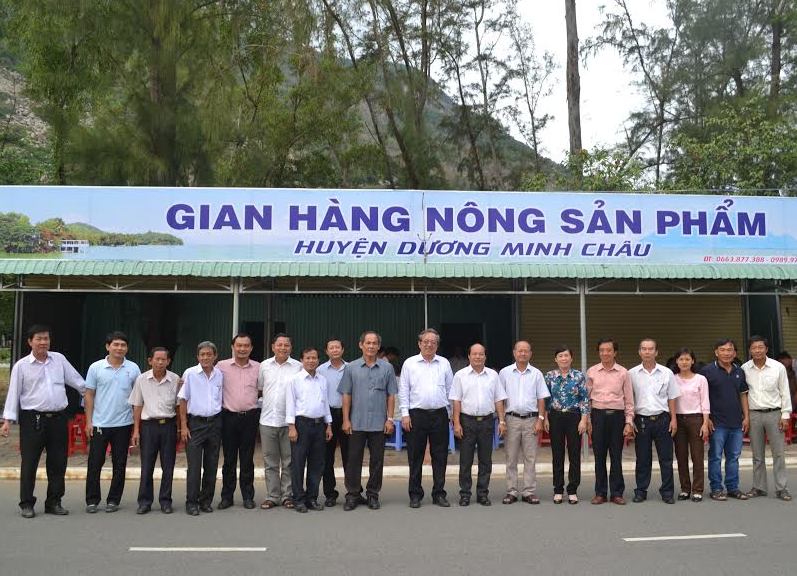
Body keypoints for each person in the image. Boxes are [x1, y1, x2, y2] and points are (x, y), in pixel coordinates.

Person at [1, 325, 85, 518]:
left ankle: (54, 502)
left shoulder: (59, 360)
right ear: (30, 342)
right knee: (29, 462)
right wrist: (7, 421)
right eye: (39, 339)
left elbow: (79, 382)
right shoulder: (22, 366)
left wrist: (89, 401)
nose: (43, 342)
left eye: (46, 338)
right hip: (33, 420)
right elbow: (13, 393)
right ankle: (27, 503)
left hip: (58, 419)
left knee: (58, 463)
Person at [339, 331, 397, 511]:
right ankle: (353, 495)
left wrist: (390, 419)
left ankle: (373, 494)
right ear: (361, 345)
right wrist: (346, 420)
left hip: (379, 423)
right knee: (353, 460)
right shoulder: (351, 368)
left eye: (374, 343)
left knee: (377, 460)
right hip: (356, 422)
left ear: (378, 346)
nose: (371, 346)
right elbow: (346, 395)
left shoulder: (387, 368)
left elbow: (391, 395)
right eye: (368, 343)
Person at [84, 331, 141, 513]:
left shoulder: (133, 368)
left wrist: (136, 428)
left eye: (123, 345)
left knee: (120, 464)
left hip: (124, 424)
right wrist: (89, 422)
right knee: (95, 463)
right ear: (108, 346)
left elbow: (138, 399)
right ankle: (92, 500)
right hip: (100, 424)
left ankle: (114, 500)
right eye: (116, 344)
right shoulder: (96, 368)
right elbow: (89, 395)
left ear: (127, 348)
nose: (119, 348)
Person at [399, 328, 454, 508]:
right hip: (417, 415)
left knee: (440, 456)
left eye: (433, 342)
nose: (429, 345)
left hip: (440, 414)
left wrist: (451, 414)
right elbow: (404, 390)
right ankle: (415, 494)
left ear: (437, 345)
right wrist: (405, 414)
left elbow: (450, 390)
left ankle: (439, 493)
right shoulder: (410, 363)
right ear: (419, 344)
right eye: (426, 341)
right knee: (415, 456)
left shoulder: (444, 363)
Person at [450, 343, 507, 506]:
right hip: (467, 421)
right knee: (465, 460)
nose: (478, 357)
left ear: (485, 356)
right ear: (469, 356)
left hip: (487, 421)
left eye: (481, 354)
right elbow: (456, 401)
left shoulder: (493, 375)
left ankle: (482, 493)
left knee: (485, 460)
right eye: (474, 354)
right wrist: (456, 423)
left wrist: (502, 421)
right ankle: (465, 494)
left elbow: (499, 399)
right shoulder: (460, 375)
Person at [128, 347, 180, 514]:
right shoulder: (142, 379)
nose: (160, 362)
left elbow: (179, 406)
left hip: (169, 426)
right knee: (147, 465)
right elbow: (137, 405)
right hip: (148, 426)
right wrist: (136, 430)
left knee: (168, 466)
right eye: (157, 359)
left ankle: (165, 501)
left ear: (168, 361)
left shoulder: (175, 379)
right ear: (150, 361)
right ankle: (144, 501)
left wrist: (179, 428)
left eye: (163, 359)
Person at [628, 338, 680, 504]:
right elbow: (629, 399)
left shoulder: (666, 372)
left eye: (651, 349)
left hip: (662, 419)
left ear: (656, 352)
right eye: (644, 349)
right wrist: (630, 421)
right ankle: (641, 490)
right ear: (639, 352)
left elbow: (672, 397)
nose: (647, 352)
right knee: (643, 459)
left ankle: (667, 492)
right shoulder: (631, 374)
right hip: (641, 420)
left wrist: (673, 419)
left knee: (666, 458)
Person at [741, 336, 792, 501]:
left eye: (760, 347)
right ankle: (759, 487)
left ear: (766, 349)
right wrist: (745, 416)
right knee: (757, 455)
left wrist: (785, 415)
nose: (757, 350)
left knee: (778, 454)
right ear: (750, 350)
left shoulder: (778, 368)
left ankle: (781, 488)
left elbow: (785, 392)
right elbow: (743, 394)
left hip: (774, 414)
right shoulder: (744, 369)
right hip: (754, 415)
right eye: (754, 348)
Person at [498, 340, 549, 505]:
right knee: (511, 458)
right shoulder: (505, 373)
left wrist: (540, 419)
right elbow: (499, 398)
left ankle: (529, 491)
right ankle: (511, 491)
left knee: (530, 457)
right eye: (520, 351)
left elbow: (541, 398)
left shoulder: (536, 374)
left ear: (530, 354)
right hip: (511, 419)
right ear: (514, 353)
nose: (523, 353)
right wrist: (501, 421)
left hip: (531, 420)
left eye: (526, 351)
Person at [700, 338, 750, 501]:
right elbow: (701, 397)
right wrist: (706, 419)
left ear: (734, 353)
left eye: (730, 350)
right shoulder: (707, 371)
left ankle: (733, 488)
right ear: (716, 352)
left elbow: (743, 395)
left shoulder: (739, 371)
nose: (726, 353)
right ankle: (716, 488)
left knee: (733, 457)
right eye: (722, 350)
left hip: (736, 422)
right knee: (715, 457)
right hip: (717, 423)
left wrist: (746, 417)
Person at [586, 338, 634, 505]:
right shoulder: (592, 371)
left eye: (608, 350)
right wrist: (588, 420)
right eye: (602, 350)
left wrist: (629, 422)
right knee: (599, 456)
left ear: (615, 352)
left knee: (616, 456)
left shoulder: (623, 373)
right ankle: (600, 493)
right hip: (598, 416)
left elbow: (629, 399)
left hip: (617, 417)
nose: (605, 353)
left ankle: (617, 493)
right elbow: (586, 399)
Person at [178, 341, 223, 515]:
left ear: (215, 356)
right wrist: (183, 426)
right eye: (202, 354)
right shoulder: (190, 373)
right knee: (194, 466)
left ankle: (206, 501)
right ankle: (192, 502)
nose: (205, 357)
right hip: (195, 424)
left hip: (215, 423)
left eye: (209, 354)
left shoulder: (219, 374)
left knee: (211, 465)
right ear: (197, 357)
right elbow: (183, 400)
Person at [258, 333, 302, 509]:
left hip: (289, 422)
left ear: (291, 348)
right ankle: (272, 496)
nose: (283, 348)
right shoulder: (264, 366)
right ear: (273, 347)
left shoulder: (298, 367)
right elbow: (260, 388)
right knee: (270, 462)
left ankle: (287, 495)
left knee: (289, 461)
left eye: (286, 345)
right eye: (279, 345)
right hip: (267, 420)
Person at [217, 333, 261, 510]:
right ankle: (227, 497)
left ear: (251, 348)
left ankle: (248, 496)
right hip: (228, 417)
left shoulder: (258, 367)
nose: (242, 349)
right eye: (239, 345)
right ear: (233, 347)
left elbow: (262, 389)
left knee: (247, 459)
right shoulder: (221, 366)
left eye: (246, 346)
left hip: (250, 417)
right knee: (229, 459)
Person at [286, 348, 333, 513]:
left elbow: (325, 403)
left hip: (319, 425)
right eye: (308, 358)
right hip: (301, 425)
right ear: (301, 360)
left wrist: (329, 424)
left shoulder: (322, 380)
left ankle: (312, 498)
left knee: (317, 464)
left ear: (318, 360)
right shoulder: (295, 380)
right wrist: (291, 427)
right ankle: (298, 499)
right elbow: (290, 404)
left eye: (314, 358)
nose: (311, 361)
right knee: (298, 463)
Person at [544, 345, 589, 504]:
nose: (564, 358)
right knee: (557, 454)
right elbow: (546, 399)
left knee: (574, 453)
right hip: (555, 416)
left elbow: (584, 399)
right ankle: (558, 489)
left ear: (571, 358)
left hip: (574, 416)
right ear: (556, 359)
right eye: (560, 356)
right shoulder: (549, 376)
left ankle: (572, 490)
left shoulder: (579, 376)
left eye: (566, 355)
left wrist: (584, 420)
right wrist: (545, 418)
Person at [671, 347, 710, 502]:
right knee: (681, 456)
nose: (684, 362)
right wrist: (672, 419)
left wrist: (705, 423)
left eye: (687, 359)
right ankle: (685, 489)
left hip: (696, 419)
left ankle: (697, 489)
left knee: (697, 456)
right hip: (678, 419)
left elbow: (705, 402)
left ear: (693, 361)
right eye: (681, 359)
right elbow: (670, 400)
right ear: (676, 361)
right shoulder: (672, 379)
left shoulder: (701, 379)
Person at [318, 337, 348, 507]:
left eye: (338, 347)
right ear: (327, 351)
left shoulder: (351, 368)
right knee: (326, 457)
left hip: (346, 415)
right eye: (332, 348)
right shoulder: (320, 370)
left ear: (342, 350)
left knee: (349, 456)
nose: (335, 350)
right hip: (326, 416)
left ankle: (353, 492)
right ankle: (330, 494)